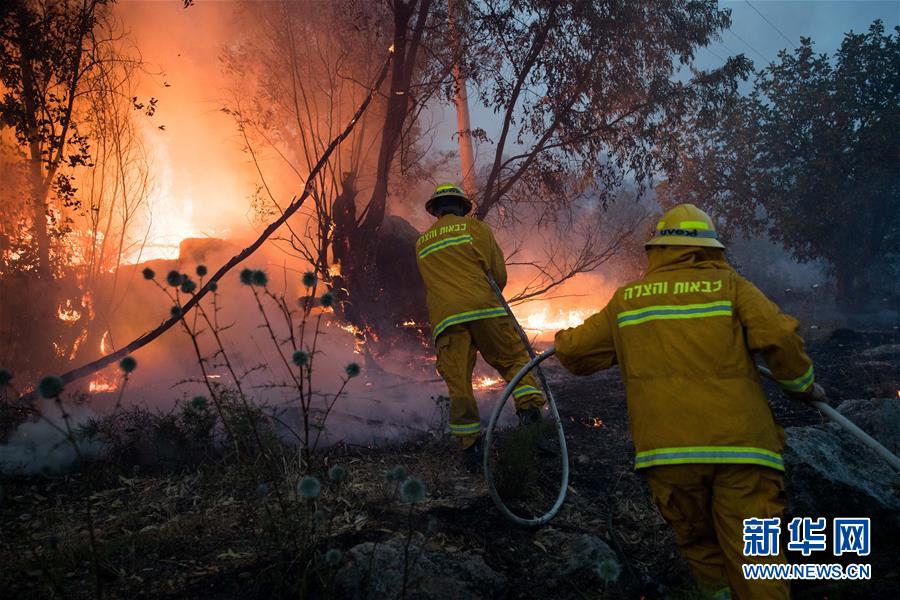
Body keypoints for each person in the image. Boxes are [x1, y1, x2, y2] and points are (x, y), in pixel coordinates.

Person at [554, 204, 824, 600]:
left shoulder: (629, 300)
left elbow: (575, 353)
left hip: (668, 456)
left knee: (701, 548)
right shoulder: (732, 286)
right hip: (743, 452)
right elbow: (779, 338)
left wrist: (560, 339)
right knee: (757, 561)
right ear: (711, 249)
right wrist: (802, 386)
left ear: (658, 250)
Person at [416, 183, 546, 469]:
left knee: (459, 380)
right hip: (484, 308)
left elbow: (431, 281)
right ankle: (530, 414)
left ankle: (470, 447)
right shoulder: (477, 230)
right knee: (512, 360)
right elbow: (497, 275)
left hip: (447, 318)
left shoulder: (422, 242)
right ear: (463, 207)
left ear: (436, 211)